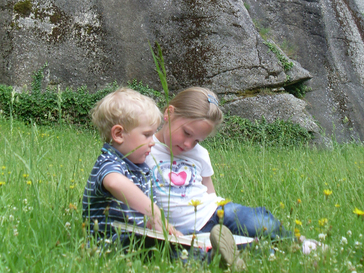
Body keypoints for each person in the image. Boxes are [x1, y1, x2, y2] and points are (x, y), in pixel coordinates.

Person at [82, 87, 244, 268]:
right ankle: (215, 260)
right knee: (171, 248)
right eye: (146, 135)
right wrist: (155, 214)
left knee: (184, 238)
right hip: (111, 242)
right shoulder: (109, 162)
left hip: (137, 236)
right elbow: (115, 182)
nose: (153, 141)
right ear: (118, 134)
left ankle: (221, 254)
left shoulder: (138, 165)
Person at [146, 87, 318, 253]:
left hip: (215, 212)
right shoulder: (145, 149)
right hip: (183, 229)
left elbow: (209, 193)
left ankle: (294, 242)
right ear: (169, 113)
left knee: (254, 222)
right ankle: (265, 251)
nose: (188, 144)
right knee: (206, 249)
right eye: (187, 133)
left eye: (197, 140)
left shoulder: (199, 154)